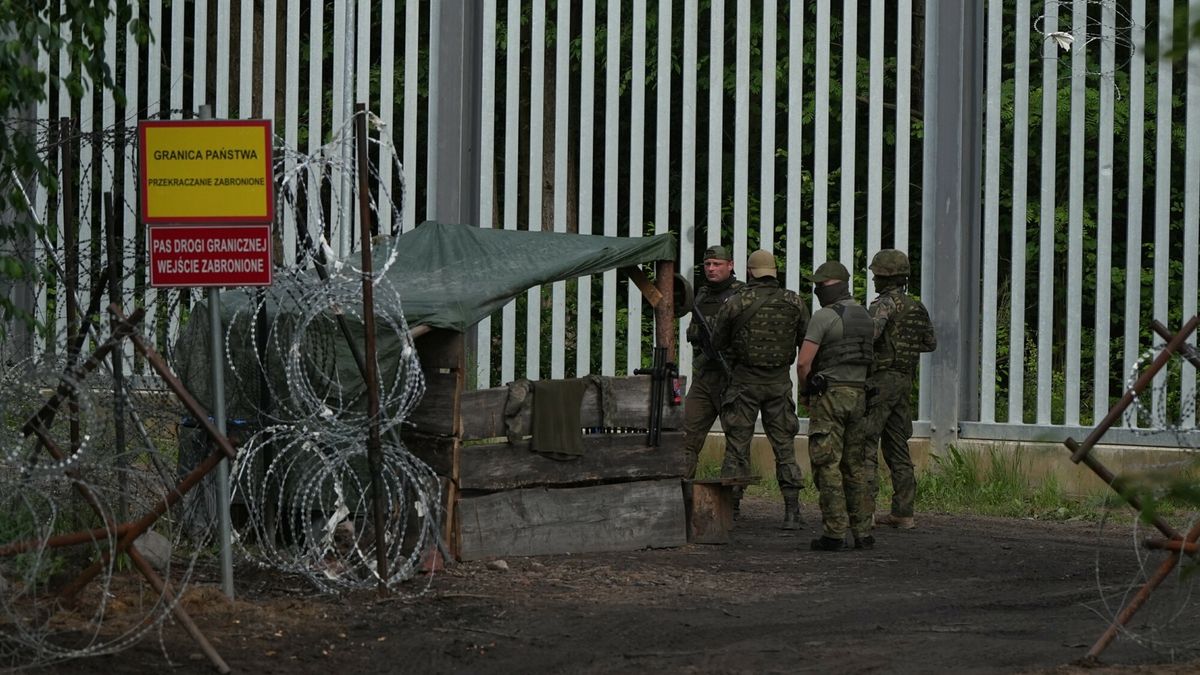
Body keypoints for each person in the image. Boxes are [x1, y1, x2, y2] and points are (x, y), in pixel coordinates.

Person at [710, 249, 810, 529]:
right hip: (779, 383)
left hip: (743, 383)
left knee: (737, 447)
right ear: (773, 272)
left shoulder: (737, 301)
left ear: (750, 271)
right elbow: (807, 341)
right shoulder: (794, 301)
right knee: (785, 447)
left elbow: (717, 341)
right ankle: (792, 512)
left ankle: (732, 509)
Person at [796, 261, 874, 551]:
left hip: (829, 397)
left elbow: (804, 362)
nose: (817, 290)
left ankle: (834, 533)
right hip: (859, 395)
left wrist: (806, 391)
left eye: (822, 285)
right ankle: (863, 532)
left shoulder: (824, 316)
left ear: (836, 285)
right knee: (855, 466)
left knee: (827, 464)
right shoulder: (866, 316)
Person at [863, 249, 937, 530]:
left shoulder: (883, 305)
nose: (873, 280)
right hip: (904, 382)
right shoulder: (917, 307)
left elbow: (870, 335)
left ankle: (864, 511)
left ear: (885, 277)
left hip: (881, 381)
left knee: (866, 442)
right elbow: (930, 343)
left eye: (876, 275)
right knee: (897, 447)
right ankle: (903, 512)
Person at [681, 245, 744, 478]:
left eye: (717, 264)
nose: (711, 269)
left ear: (730, 265)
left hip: (732, 378)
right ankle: (681, 489)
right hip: (705, 377)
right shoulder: (702, 294)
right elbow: (693, 331)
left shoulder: (742, 295)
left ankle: (733, 498)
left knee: (737, 441)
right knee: (686, 435)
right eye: (707, 264)